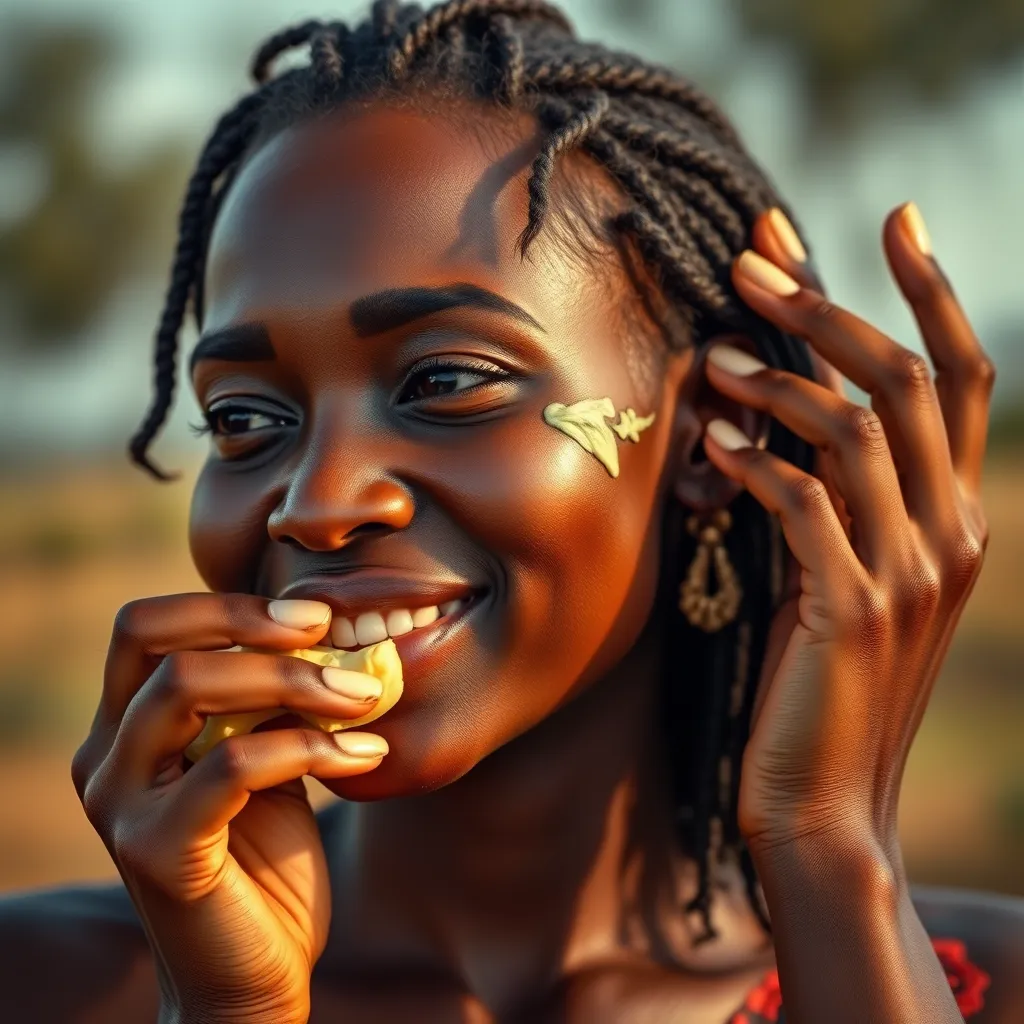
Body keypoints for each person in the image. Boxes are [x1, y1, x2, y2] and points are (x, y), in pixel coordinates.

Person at [2, 1, 1021, 1020]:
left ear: (715, 436)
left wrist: (828, 842)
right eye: (244, 416)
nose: (317, 505)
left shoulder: (987, 984)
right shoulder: (54, 985)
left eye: (445, 381)